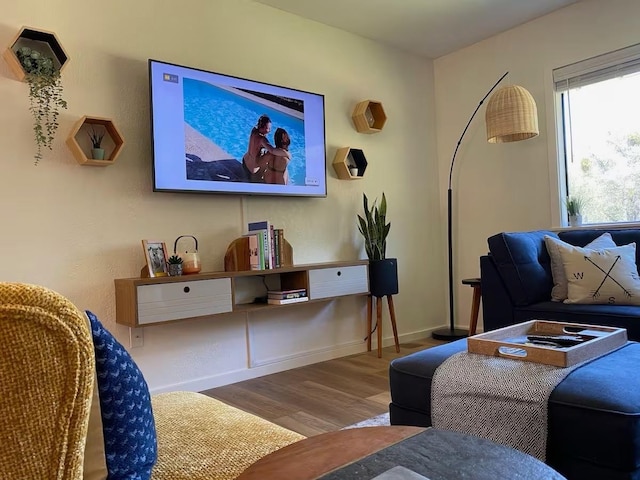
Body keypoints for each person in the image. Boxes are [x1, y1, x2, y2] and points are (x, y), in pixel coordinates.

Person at [242, 115, 289, 182]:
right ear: (263, 127)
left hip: (244, 162)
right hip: (252, 172)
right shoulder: (262, 140)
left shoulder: (254, 130)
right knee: (269, 157)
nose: (269, 130)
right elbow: (272, 150)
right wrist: (287, 154)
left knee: (264, 154)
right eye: (268, 128)